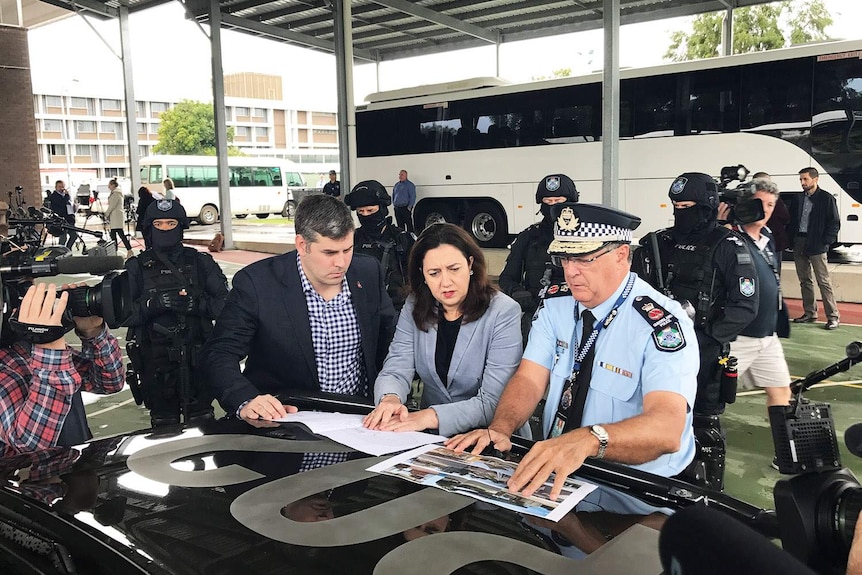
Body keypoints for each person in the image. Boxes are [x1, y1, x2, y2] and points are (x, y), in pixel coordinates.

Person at [447, 203, 699, 499]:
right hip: (561, 471)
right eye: (564, 258)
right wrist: (502, 428)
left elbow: (667, 429)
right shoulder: (557, 305)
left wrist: (591, 440)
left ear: (621, 255)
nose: (571, 271)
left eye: (584, 259)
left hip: (636, 487)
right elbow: (530, 377)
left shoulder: (660, 323)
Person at [200, 194, 397, 423]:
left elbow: (391, 339)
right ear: (302, 245)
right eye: (329, 253)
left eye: (347, 249)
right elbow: (218, 353)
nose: (341, 263)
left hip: (360, 422)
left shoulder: (367, 271)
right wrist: (246, 399)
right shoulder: (257, 284)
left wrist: (391, 392)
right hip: (287, 425)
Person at [632, 172, 758, 491]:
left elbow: (745, 305)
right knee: (645, 418)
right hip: (652, 352)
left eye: (688, 206)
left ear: (708, 206)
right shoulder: (656, 243)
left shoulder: (729, 246)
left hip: (704, 353)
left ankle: (708, 495)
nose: (681, 212)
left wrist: (704, 339)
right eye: (677, 206)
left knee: (704, 428)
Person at [362, 223, 525, 437]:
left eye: (454, 269)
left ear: (470, 264)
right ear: (422, 275)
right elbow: (396, 367)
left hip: (488, 436)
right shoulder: (414, 304)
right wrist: (390, 398)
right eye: (434, 273)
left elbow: (493, 400)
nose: (445, 282)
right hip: (430, 437)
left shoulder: (503, 312)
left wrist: (430, 416)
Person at [124, 199, 229, 427]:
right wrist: (154, 305)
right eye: (158, 224)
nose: (164, 229)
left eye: (170, 223)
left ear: (180, 226)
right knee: (164, 428)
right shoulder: (136, 267)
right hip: (155, 363)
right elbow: (123, 315)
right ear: (149, 228)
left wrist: (196, 305)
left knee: (204, 426)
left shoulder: (201, 263)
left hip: (198, 359)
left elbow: (226, 305)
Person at [0, 282, 125, 455]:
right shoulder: (31, 353)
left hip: (75, 470)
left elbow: (109, 383)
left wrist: (93, 332)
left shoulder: (23, 349)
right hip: (26, 479)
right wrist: (48, 345)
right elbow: (30, 447)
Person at [719, 179, 792, 413]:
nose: (766, 210)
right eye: (760, 203)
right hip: (737, 338)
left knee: (781, 392)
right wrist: (720, 226)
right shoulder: (727, 236)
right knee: (710, 395)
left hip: (767, 336)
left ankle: (783, 447)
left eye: (771, 205)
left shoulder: (767, 237)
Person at [499, 174, 579, 344]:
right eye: (547, 202)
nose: (552, 207)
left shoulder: (585, 239)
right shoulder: (529, 236)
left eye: (558, 201)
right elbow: (507, 278)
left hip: (576, 313)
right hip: (537, 313)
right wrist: (518, 293)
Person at [344, 180, 415, 311]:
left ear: (382, 209)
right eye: (361, 212)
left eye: (370, 210)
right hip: (361, 310)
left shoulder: (403, 240)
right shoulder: (351, 240)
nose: (366, 215)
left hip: (398, 311)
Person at [789, 167, 840, 330]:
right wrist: (792, 240)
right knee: (805, 280)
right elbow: (791, 221)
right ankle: (810, 313)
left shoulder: (826, 198)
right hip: (799, 242)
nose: (802, 182)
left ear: (815, 179)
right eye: (801, 180)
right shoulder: (798, 199)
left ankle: (833, 317)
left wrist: (825, 242)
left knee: (823, 281)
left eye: (805, 179)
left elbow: (834, 223)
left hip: (817, 244)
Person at [103, 179, 134, 257]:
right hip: (115, 217)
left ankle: (121, 250)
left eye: (109, 185)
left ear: (113, 185)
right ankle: (126, 250)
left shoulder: (116, 194)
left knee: (117, 235)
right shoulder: (115, 193)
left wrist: (106, 214)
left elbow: (112, 206)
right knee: (118, 234)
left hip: (116, 217)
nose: (108, 186)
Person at [48, 180, 79, 251]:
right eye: (59, 187)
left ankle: (68, 249)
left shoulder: (65, 196)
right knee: (63, 238)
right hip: (61, 220)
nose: (61, 188)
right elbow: (62, 205)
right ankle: (61, 251)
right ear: (56, 187)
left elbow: (68, 205)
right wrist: (67, 196)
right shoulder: (54, 196)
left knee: (74, 235)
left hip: (69, 219)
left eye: (63, 187)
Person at [392, 169, 416, 234]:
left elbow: (412, 197)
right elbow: (393, 195)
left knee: (409, 225)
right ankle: (402, 239)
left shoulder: (410, 185)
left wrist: (409, 207)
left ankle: (411, 239)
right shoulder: (396, 185)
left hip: (405, 208)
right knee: (400, 225)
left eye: (402, 175)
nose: (400, 176)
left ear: (406, 175)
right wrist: (394, 204)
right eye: (399, 175)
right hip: (397, 208)